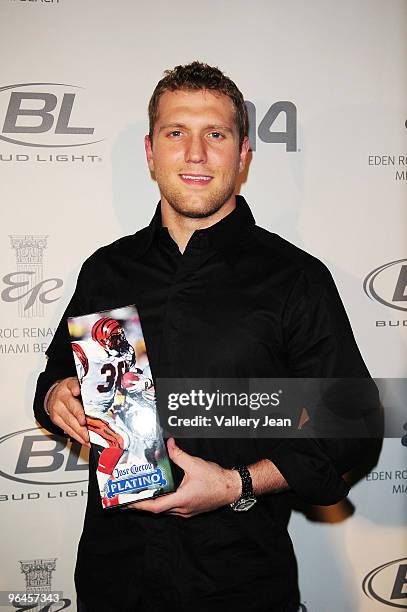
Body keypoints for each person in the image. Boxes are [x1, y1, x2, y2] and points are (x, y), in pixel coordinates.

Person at [34, 61, 378, 612]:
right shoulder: (106, 270)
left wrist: (238, 484)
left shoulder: (296, 278)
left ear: (243, 155)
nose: (195, 154)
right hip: (113, 579)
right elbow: (56, 373)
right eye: (176, 133)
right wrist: (55, 394)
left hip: (239, 584)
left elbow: (353, 425)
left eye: (215, 134)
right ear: (150, 152)